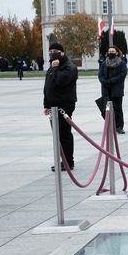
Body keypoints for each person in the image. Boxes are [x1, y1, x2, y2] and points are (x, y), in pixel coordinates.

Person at [43, 42, 78, 170]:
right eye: (51, 52)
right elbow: (48, 86)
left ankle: (69, 161)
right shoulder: (52, 67)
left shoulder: (69, 67)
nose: (53, 54)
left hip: (64, 105)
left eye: (55, 51)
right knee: (57, 135)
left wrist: (56, 68)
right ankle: (62, 160)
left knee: (64, 134)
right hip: (53, 105)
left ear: (62, 53)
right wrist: (46, 104)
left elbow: (61, 81)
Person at [98, 45, 127, 134]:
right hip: (106, 89)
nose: (111, 53)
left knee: (118, 109)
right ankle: (110, 125)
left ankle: (119, 126)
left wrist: (111, 81)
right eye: (109, 51)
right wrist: (104, 81)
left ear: (117, 53)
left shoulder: (121, 63)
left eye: (113, 51)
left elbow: (122, 75)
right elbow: (100, 74)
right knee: (106, 109)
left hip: (117, 89)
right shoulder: (104, 63)